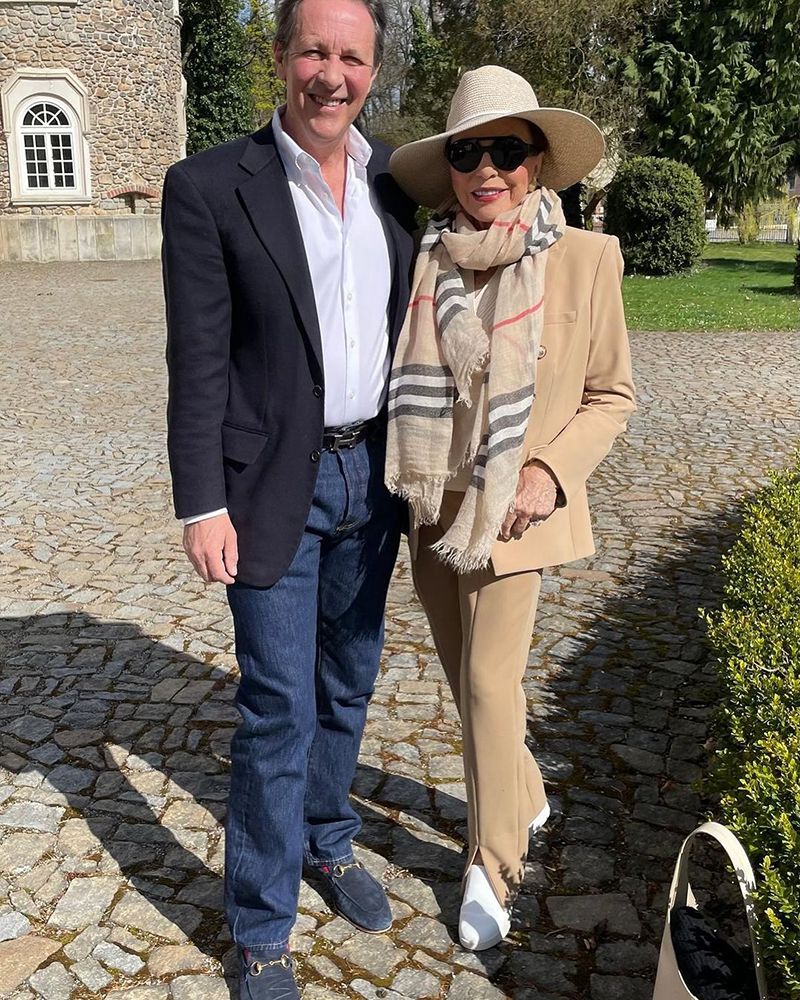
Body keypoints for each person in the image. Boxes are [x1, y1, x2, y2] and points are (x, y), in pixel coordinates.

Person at [161, 0, 416, 995]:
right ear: (280, 58)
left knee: (348, 679)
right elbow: (196, 359)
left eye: (351, 56)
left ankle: (328, 836)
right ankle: (262, 928)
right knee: (276, 707)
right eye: (314, 50)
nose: (331, 73)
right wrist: (200, 503)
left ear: (370, 71)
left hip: (375, 475)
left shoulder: (400, 180)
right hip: (271, 481)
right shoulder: (208, 186)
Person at [386, 65, 636, 951]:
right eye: (467, 152)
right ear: (449, 166)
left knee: (493, 683)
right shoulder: (426, 258)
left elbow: (611, 395)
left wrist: (549, 473)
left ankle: (492, 864)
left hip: (516, 511)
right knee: (467, 686)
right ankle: (524, 796)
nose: (486, 168)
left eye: (505, 150)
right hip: (436, 509)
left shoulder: (584, 260)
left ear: (536, 160)